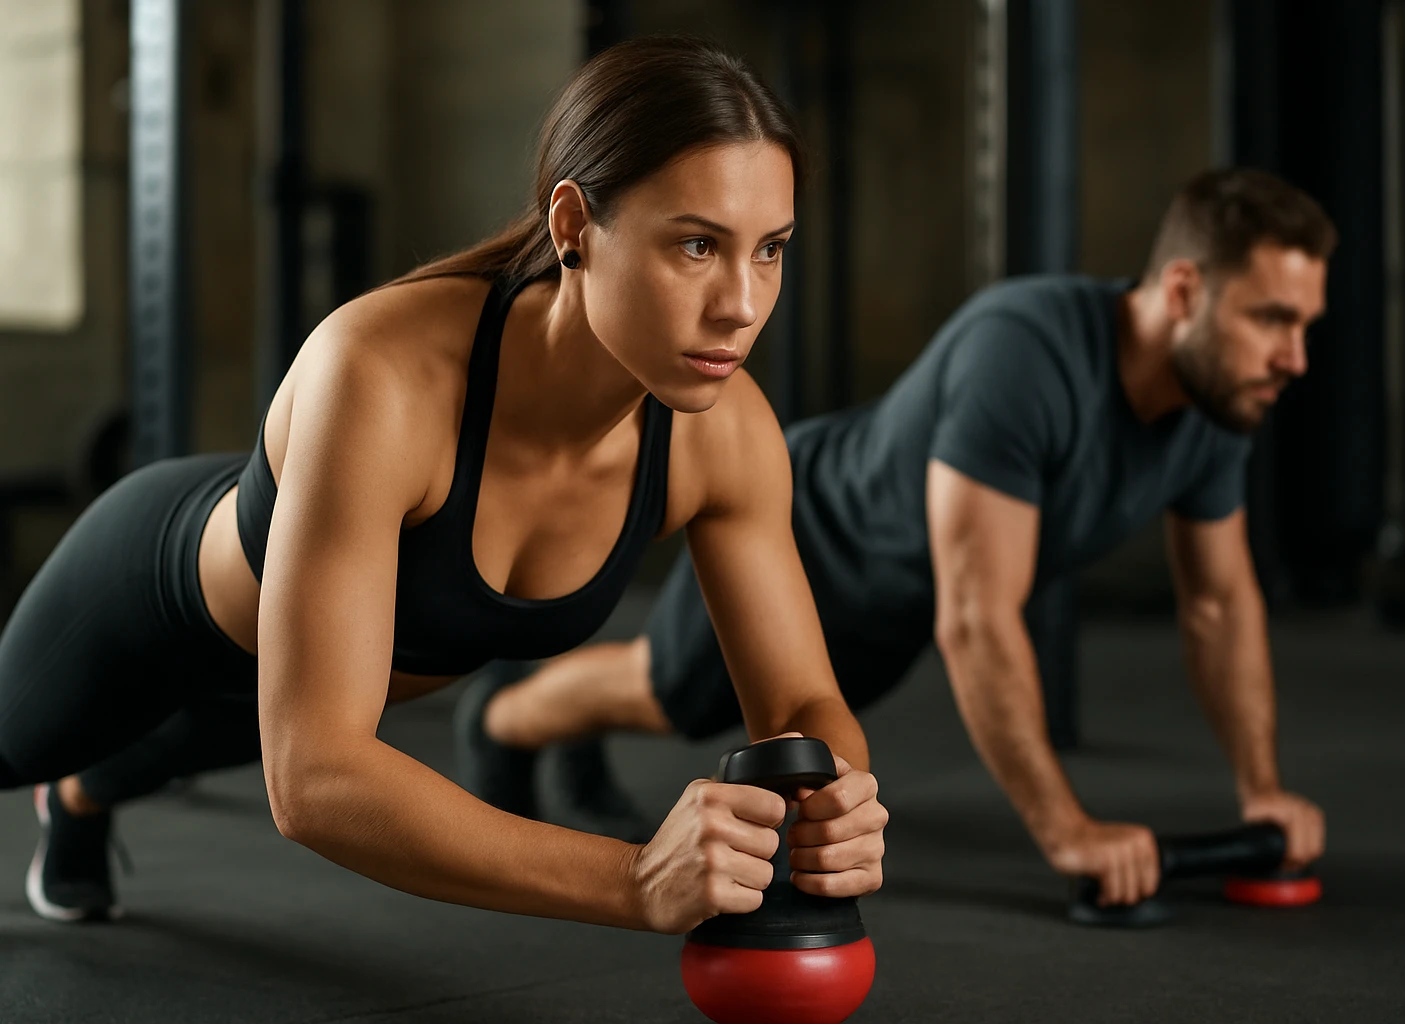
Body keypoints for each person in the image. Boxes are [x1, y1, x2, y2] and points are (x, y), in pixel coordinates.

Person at [0, 36, 887, 929]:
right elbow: (314, 776)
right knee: (23, 740)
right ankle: (68, 782)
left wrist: (830, 792)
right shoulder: (382, 374)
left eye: (770, 249)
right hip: (155, 610)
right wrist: (632, 880)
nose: (741, 301)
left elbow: (801, 704)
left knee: (155, 751)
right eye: (698, 245)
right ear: (574, 226)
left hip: (322, 679)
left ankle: (80, 799)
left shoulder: (725, 437)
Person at [461, 167, 1331, 907]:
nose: (1295, 358)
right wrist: (1069, 833)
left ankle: (551, 717)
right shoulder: (1027, 352)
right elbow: (979, 615)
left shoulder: (1217, 409)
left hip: (896, 600)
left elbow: (1219, 603)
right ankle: (505, 716)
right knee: (670, 695)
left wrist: (1264, 792)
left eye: (1305, 326)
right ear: (1183, 291)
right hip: (811, 528)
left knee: (787, 746)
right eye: (1271, 320)